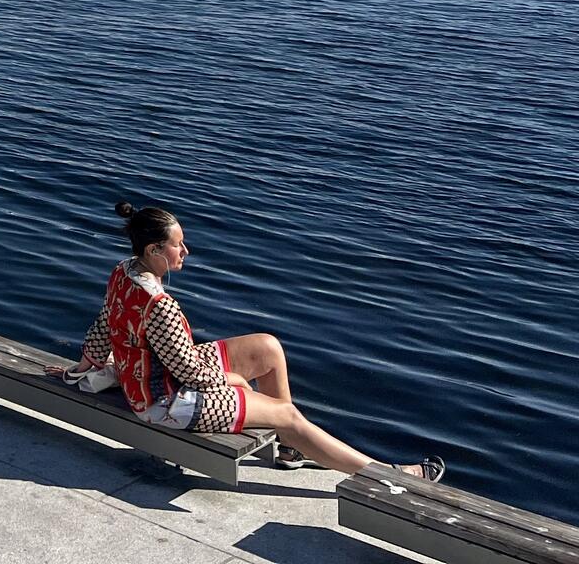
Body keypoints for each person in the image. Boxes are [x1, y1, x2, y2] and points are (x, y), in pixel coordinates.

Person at [62, 201, 446, 479]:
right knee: (286, 413)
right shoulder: (159, 304)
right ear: (153, 250)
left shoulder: (123, 271)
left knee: (267, 348)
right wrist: (233, 381)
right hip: (165, 402)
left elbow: (104, 323)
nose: (186, 251)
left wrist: (84, 366)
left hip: (156, 377)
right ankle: (385, 474)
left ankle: (292, 446)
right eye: (178, 245)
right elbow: (188, 373)